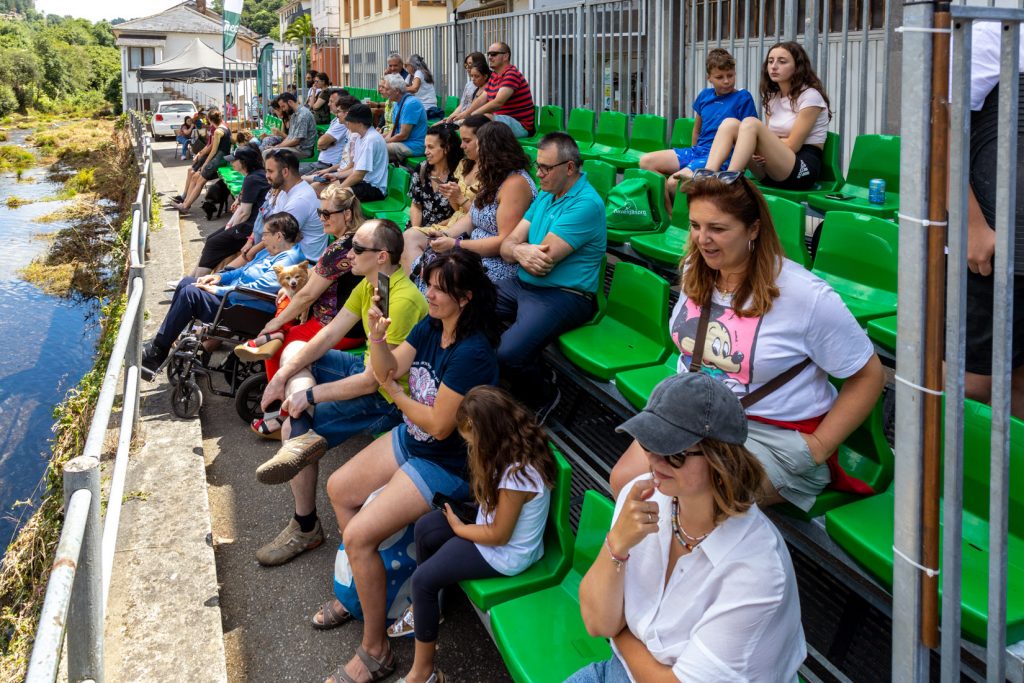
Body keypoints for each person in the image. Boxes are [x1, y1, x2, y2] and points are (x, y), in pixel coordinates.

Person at [608, 174, 886, 511]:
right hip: (695, 416)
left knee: (686, 503)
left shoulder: (806, 295)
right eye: (695, 225)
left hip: (771, 434)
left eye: (718, 229)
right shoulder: (699, 267)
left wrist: (818, 446)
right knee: (624, 481)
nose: (702, 239)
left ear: (753, 229)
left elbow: (870, 375)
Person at [317, 249, 500, 683]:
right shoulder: (432, 326)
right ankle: (363, 591)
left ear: (466, 297)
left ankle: (376, 649)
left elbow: (440, 426)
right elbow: (389, 369)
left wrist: (399, 398)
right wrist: (377, 340)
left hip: (449, 464)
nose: (429, 294)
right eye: (429, 284)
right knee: (340, 489)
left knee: (360, 535)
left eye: (439, 289)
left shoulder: (473, 352)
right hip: (413, 439)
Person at [570, 372, 807, 682]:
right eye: (649, 443)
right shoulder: (641, 497)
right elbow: (597, 622)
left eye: (674, 452)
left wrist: (622, 633)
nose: (655, 461)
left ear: (721, 459)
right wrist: (616, 545)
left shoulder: (757, 570)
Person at [390, 386, 556, 683]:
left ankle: (423, 674)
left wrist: (458, 528)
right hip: (490, 528)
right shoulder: (509, 445)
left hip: (506, 554)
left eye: (472, 439)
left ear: (489, 433)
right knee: (426, 528)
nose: (469, 445)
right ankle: (430, 608)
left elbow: (499, 535)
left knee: (423, 579)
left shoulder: (518, 474)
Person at [238, 185, 368, 437]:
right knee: (286, 298)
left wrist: (274, 324)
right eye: (320, 212)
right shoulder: (344, 240)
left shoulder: (345, 246)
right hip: (328, 318)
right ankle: (278, 404)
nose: (321, 218)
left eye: (327, 213)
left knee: (281, 344)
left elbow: (309, 294)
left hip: (343, 326)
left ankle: (279, 417)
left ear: (348, 214)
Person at [496, 132, 606, 419]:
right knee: (469, 305)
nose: (538, 173)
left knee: (510, 352)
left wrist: (517, 249)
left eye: (545, 167)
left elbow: (541, 260)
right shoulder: (546, 195)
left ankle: (543, 396)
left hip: (564, 294)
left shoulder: (585, 204)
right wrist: (519, 251)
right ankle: (505, 382)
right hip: (524, 285)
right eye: (537, 164)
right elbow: (508, 245)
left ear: (569, 168)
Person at [140, 212, 305, 381]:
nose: (262, 239)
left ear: (278, 236)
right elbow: (243, 270)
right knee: (186, 283)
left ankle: (158, 349)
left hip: (250, 308)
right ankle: (160, 346)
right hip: (236, 297)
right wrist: (218, 278)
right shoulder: (272, 251)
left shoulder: (288, 260)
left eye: (265, 235)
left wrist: (218, 291)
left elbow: (260, 287)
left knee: (190, 294)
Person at [963, 21, 1024, 418]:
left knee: (1019, 377)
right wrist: (973, 226)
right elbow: (942, 129)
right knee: (972, 380)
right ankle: (938, 471)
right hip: (995, 241)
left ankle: (1008, 477)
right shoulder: (993, 34)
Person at [703, 41, 831, 191]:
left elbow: (793, 145)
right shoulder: (772, 97)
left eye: (782, 61)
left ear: (798, 66)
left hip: (801, 171)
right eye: (770, 61)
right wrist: (760, 152)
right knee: (729, 123)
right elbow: (771, 136)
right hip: (771, 171)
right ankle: (707, 175)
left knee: (751, 123)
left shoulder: (810, 97)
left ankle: (729, 180)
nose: (774, 66)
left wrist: (762, 149)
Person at [419, 120, 535, 286]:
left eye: (474, 144)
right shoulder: (493, 177)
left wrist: (456, 244)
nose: (464, 147)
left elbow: (504, 241)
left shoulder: (515, 183)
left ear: (491, 150)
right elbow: (471, 217)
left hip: (496, 264)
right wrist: (446, 235)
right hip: (474, 253)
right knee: (424, 263)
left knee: (441, 276)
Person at [639, 48, 757, 208]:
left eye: (730, 75)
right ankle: (667, 212)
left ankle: (679, 216)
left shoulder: (743, 98)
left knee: (674, 183)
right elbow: (697, 130)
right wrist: (694, 155)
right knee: (646, 161)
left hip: (722, 156)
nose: (727, 81)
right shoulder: (704, 96)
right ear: (709, 78)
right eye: (719, 77)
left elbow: (749, 135)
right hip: (697, 151)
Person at [402, 116, 484, 276]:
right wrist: (416, 227)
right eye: (425, 146)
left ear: (446, 148)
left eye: (431, 147)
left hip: (450, 226)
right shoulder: (423, 168)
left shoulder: (458, 169)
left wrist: (455, 197)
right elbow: (416, 205)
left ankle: (420, 286)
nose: (425, 152)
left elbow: (460, 212)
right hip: (430, 225)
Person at [191, 146, 271, 277]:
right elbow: (242, 208)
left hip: (251, 227)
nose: (231, 163)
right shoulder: (256, 175)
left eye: (234, 160)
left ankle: (196, 280)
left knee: (213, 243)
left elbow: (244, 213)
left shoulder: (252, 179)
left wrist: (229, 229)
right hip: (254, 223)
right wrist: (229, 226)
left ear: (243, 162)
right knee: (212, 239)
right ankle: (191, 277)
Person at [261, 149, 329, 262]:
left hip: (303, 263)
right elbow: (273, 229)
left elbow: (276, 239)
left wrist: (251, 253)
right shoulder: (284, 191)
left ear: (285, 172)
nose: (267, 175)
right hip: (287, 254)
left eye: (270, 171)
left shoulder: (300, 200)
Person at [464, 42, 535, 139]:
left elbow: (498, 102)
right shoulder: (494, 75)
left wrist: (472, 115)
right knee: (473, 122)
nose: (489, 57)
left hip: (520, 126)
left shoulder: (511, 74)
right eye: (488, 54)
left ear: (505, 56)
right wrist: (464, 114)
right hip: (503, 121)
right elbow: (482, 99)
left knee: (484, 119)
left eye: (493, 54)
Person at [325, 103, 389, 202]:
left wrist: (339, 188)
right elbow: (356, 169)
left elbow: (359, 175)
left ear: (359, 122)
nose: (347, 123)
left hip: (374, 188)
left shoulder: (371, 139)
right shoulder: (360, 136)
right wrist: (336, 175)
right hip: (363, 183)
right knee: (324, 190)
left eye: (349, 120)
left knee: (335, 197)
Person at [172, 109, 231, 215]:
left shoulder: (218, 131)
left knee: (200, 181)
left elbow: (213, 151)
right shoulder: (224, 127)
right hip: (221, 158)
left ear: (209, 119)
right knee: (195, 177)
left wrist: (205, 164)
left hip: (218, 160)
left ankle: (185, 206)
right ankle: (185, 202)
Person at [307, 94, 359, 197]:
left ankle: (323, 212)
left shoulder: (357, 135)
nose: (337, 114)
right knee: (303, 180)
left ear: (347, 113)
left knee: (308, 184)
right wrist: (329, 171)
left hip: (343, 175)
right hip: (335, 171)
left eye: (339, 112)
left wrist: (335, 175)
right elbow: (345, 162)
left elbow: (354, 168)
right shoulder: (349, 132)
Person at [300, 90, 351, 177]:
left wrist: (327, 143)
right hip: (323, 164)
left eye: (331, 101)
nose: (328, 104)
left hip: (328, 165)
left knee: (294, 179)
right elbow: (320, 144)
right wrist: (328, 143)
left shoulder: (342, 122)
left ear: (341, 103)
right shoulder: (336, 120)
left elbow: (321, 143)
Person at [382, 73, 428, 164]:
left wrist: (382, 142)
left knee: (377, 149)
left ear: (397, 91)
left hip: (413, 145)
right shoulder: (397, 103)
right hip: (403, 143)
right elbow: (394, 130)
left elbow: (403, 135)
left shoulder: (411, 104)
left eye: (387, 89)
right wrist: (381, 138)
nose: (384, 91)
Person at [266, 91, 318, 161]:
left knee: (269, 154)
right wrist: (276, 147)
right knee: (267, 152)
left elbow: (296, 141)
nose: (283, 109)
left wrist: (277, 147)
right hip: (295, 148)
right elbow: (290, 137)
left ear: (290, 102)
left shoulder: (303, 115)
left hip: (303, 150)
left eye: (283, 106)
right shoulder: (294, 115)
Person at [444, 53, 489, 124]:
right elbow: (462, 104)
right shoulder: (469, 84)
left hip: (470, 118)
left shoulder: (485, 85)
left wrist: (460, 117)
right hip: (462, 116)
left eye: (470, 64)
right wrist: (452, 116)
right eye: (466, 65)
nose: (467, 67)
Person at [406, 54, 442, 119]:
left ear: (412, 65)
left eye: (406, 65)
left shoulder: (419, 72)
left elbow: (414, 88)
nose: (406, 68)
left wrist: (400, 89)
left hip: (426, 108)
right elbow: (403, 85)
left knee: (405, 114)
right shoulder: (412, 75)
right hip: (425, 107)